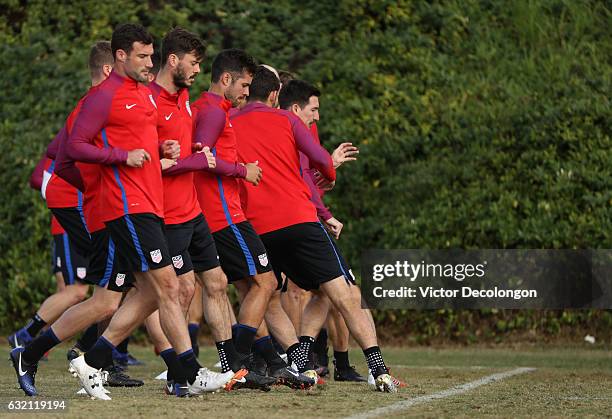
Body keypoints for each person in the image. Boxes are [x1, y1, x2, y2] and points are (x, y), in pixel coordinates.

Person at [60, 23, 240, 399]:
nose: (196, 70)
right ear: (172, 61)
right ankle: (182, 373)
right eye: (192, 63)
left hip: (184, 212)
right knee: (160, 290)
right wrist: (193, 161)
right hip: (157, 212)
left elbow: (162, 152)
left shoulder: (182, 99)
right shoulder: (144, 98)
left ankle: (94, 360)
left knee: (171, 289)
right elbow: (144, 161)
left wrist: (183, 154)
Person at [231, 69, 399, 392]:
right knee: (345, 292)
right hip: (299, 218)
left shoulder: (231, 123)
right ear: (274, 96)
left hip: (257, 227)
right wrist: (330, 174)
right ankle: (377, 369)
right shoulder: (287, 120)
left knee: (270, 296)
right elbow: (321, 161)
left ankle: (301, 360)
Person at [10, 40, 144, 398]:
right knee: (105, 295)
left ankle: (92, 358)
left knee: (124, 292)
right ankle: (84, 358)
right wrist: (94, 185)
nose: (147, 66)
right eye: (143, 58)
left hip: (111, 208)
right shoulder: (97, 102)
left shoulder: (115, 101)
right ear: (112, 66)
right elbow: (64, 157)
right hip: (101, 210)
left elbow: (62, 154)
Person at [191, 49, 312, 390]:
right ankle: (240, 363)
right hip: (224, 215)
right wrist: (242, 170)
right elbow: (200, 158)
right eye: (244, 84)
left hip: (214, 214)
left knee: (240, 288)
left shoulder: (204, 108)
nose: (247, 92)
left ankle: (271, 363)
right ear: (226, 79)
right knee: (266, 283)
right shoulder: (214, 112)